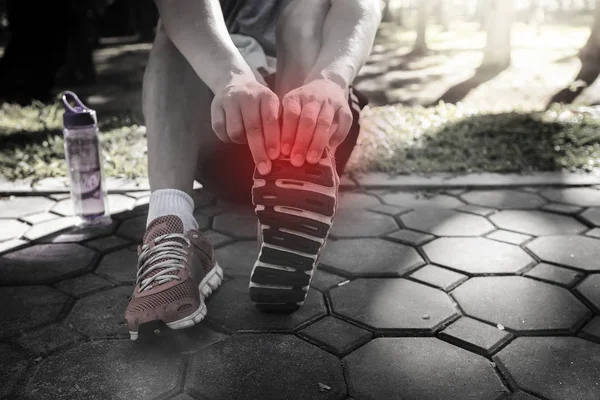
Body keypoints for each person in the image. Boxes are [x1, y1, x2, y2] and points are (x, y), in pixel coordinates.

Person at [124, 0, 381, 340]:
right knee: (173, 32)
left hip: (318, 124)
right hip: (226, 123)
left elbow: (362, 6)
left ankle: (293, 188)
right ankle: (170, 224)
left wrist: (331, 79)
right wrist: (231, 78)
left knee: (306, 11)